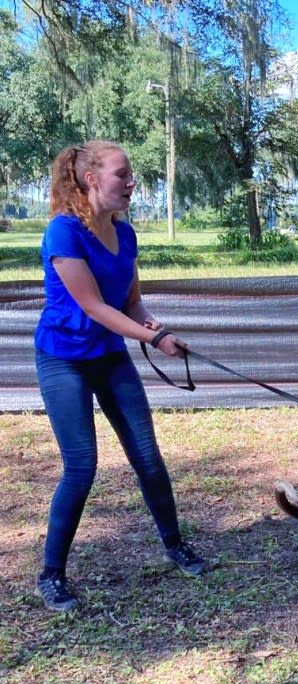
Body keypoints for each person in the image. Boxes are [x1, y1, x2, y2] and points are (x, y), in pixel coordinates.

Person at [34, 140, 207, 612]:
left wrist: (156, 327)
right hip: (64, 359)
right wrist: (151, 341)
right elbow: (92, 305)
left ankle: (175, 545)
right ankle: (51, 575)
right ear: (91, 179)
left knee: (148, 457)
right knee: (81, 467)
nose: (131, 183)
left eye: (130, 175)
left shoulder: (125, 234)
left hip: (110, 355)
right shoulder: (64, 233)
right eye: (122, 174)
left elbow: (130, 303)